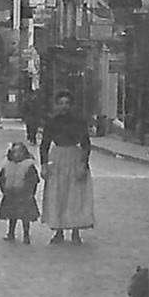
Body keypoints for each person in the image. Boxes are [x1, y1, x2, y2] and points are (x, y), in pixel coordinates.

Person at [40, 90, 93, 245]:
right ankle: (59, 231)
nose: (64, 107)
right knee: (58, 195)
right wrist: (44, 165)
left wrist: (83, 163)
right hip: (57, 159)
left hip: (73, 157)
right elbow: (44, 145)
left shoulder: (79, 122)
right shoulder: (52, 122)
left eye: (67, 103)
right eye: (61, 103)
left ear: (72, 105)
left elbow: (86, 144)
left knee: (75, 196)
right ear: (57, 105)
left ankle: (75, 231)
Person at [0, 141, 40, 244]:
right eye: (15, 152)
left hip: (24, 194)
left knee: (26, 217)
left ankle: (26, 234)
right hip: (10, 192)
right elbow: (2, 178)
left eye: (21, 152)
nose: (18, 154)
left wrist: (31, 193)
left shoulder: (28, 166)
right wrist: (3, 190)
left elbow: (33, 181)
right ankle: (11, 232)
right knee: (12, 215)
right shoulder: (7, 165)